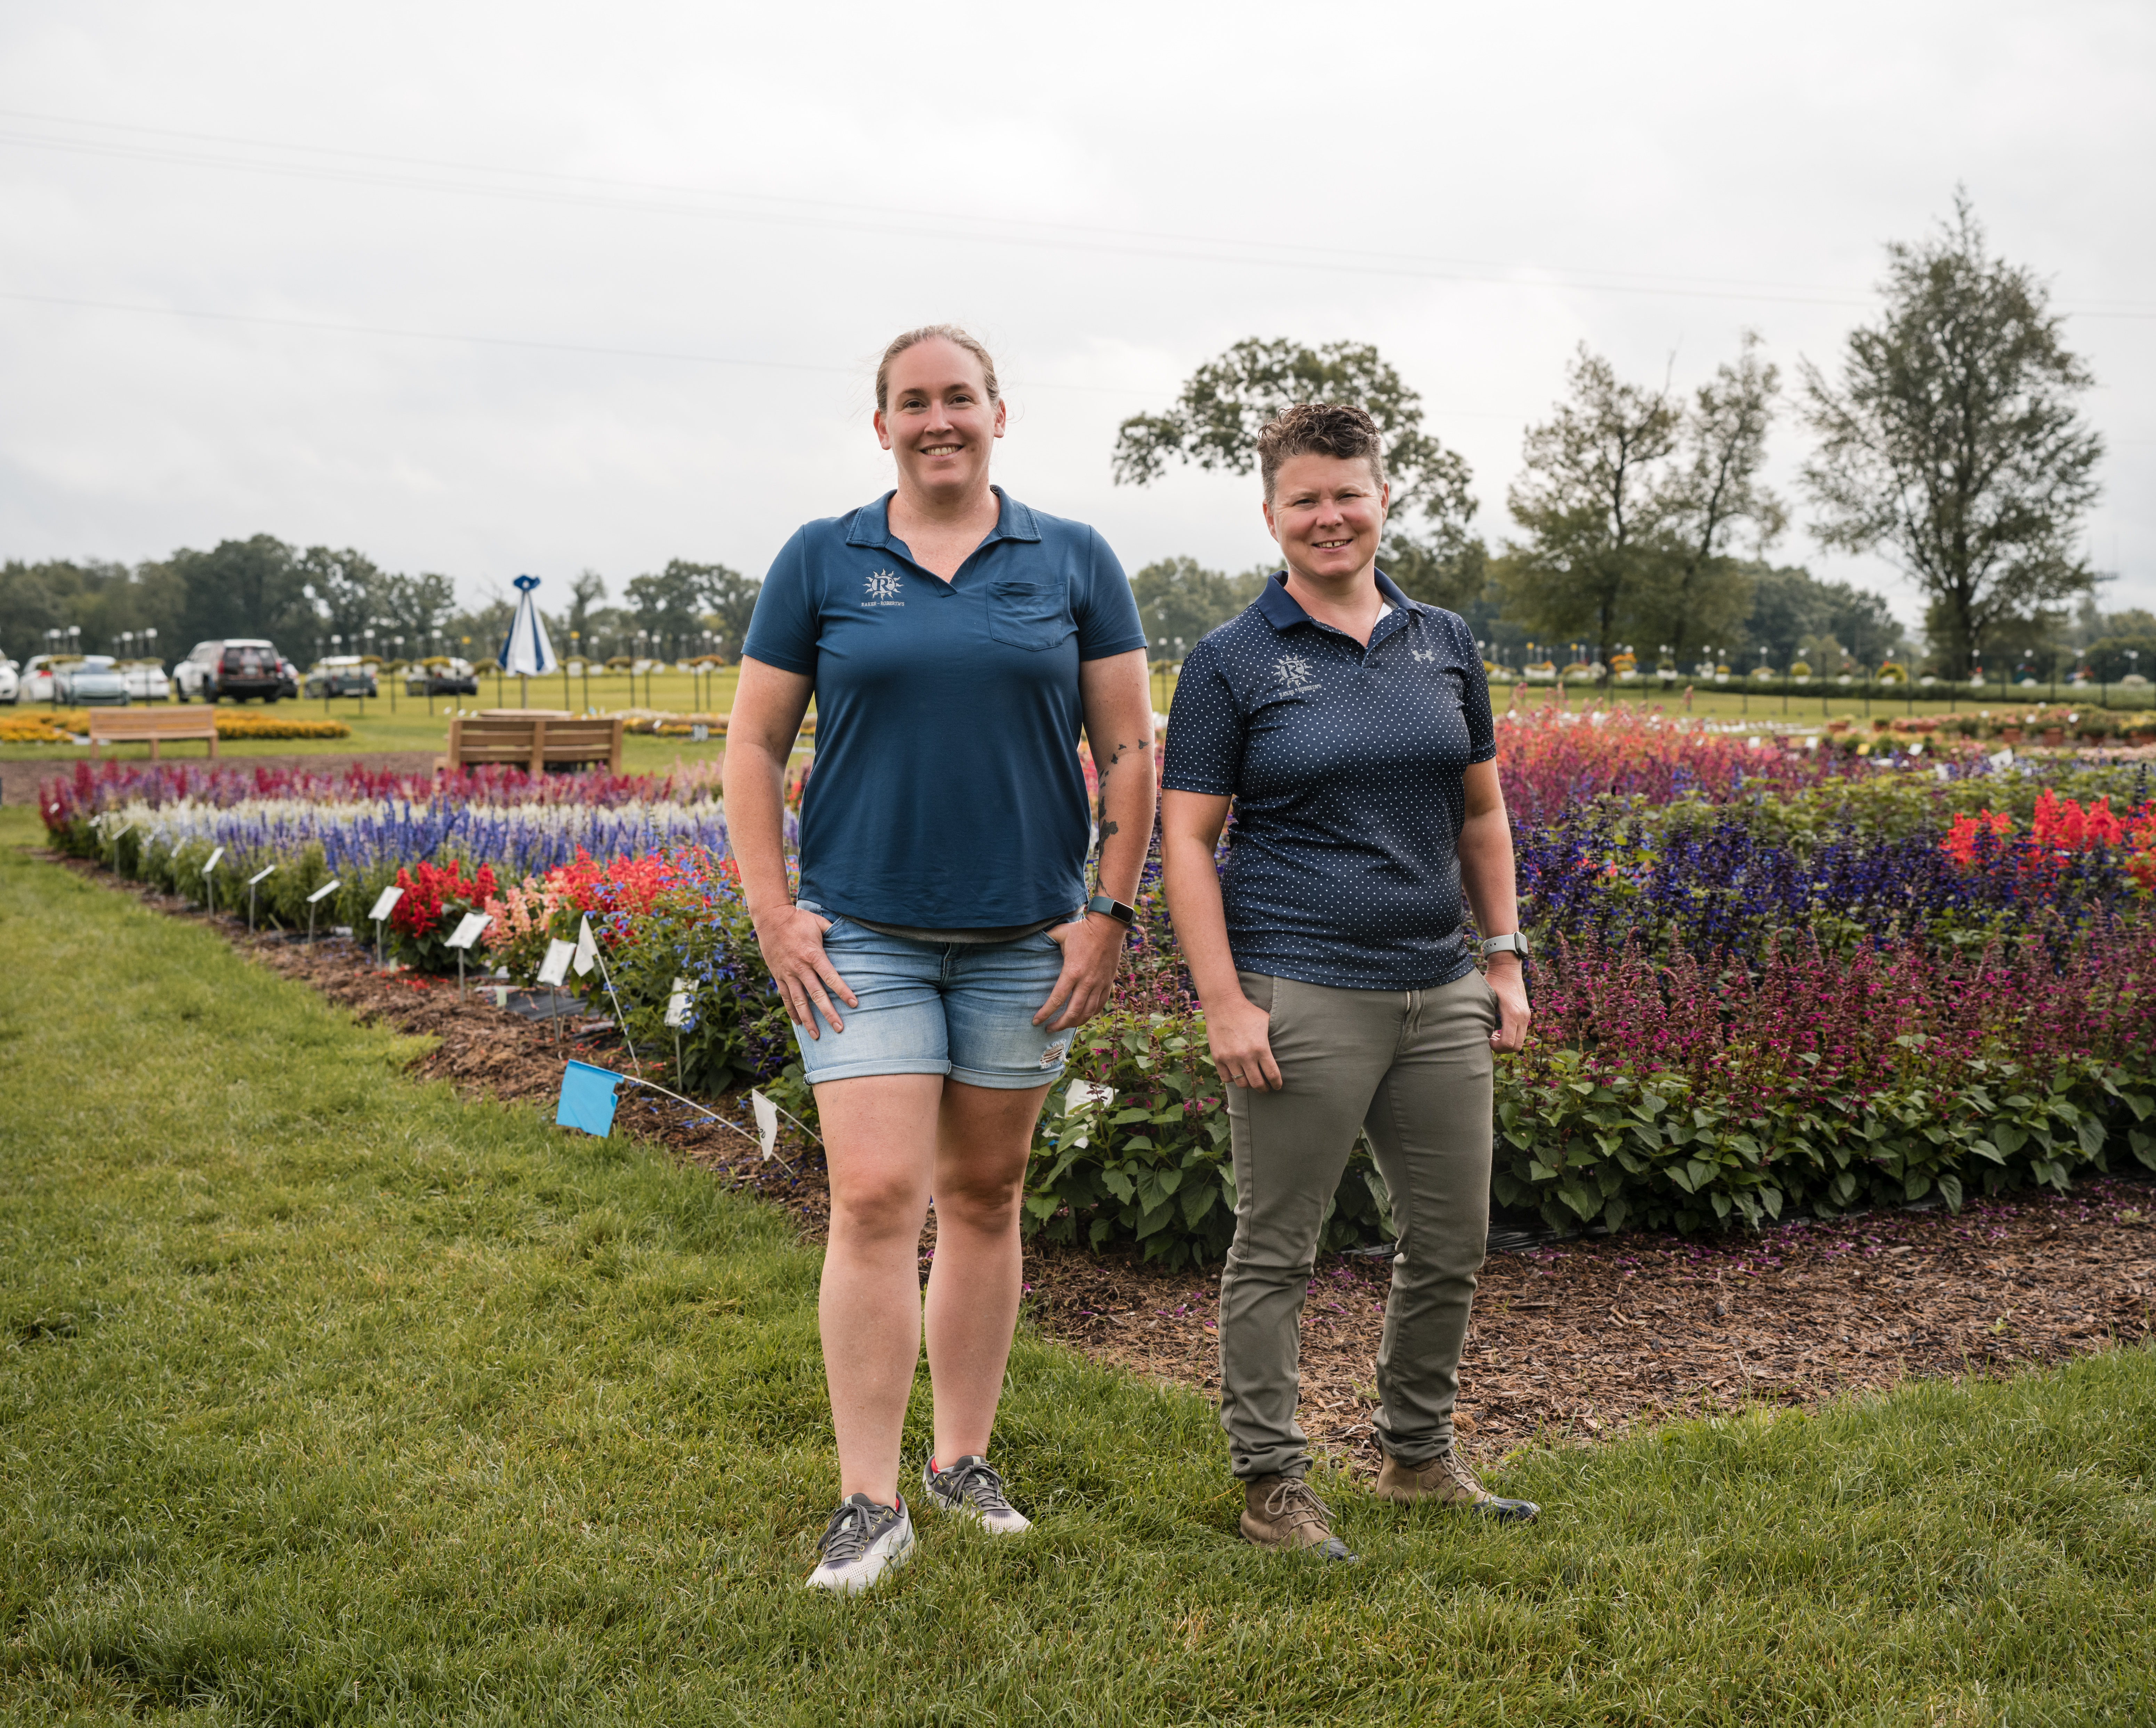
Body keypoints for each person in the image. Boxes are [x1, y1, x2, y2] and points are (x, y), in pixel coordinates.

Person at [723, 325, 1156, 1593]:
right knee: (872, 1195)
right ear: (883, 427)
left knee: (984, 1196)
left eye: (958, 397)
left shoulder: (1073, 560)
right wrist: (774, 910)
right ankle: (869, 1500)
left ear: (999, 413)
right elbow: (753, 748)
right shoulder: (822, 558)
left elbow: (1129, 752)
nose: (937, 420)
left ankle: (962, 1463)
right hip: (862, 936)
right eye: (912, 403)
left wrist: (1107, 913)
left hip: (1030, 940)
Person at [1158, 401, 1538, 1563]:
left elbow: (1481, 811)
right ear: (1271, 515)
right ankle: (1272, 1485)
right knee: (1279, 1244)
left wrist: (1504, 956)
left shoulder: (1444, 641)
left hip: (1438, 990)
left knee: (1453, 1237)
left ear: (1383, 497)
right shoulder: (1232, 661)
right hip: (1301, 987)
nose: (1330, 516)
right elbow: (1186, 841)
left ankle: (1419, 1456)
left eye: (1348, 492)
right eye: (1305, 499)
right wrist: (1223, 998)